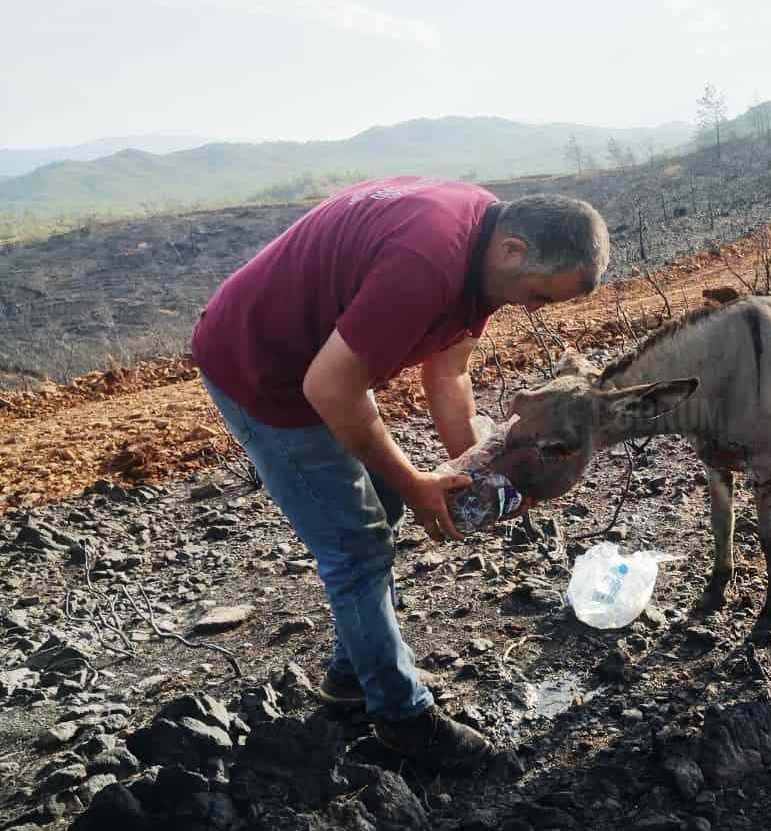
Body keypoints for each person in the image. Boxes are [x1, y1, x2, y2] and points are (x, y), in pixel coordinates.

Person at [191, 177, 609, 772]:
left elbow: (448, 374)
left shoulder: (484, 248)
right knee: (357, 544)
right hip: (262, 369)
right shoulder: (428, 262)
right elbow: (329, 387)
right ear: (513, 250)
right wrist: (417, 485)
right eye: (539, 295)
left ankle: (350, 676)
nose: (532, 309)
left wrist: (477, 472)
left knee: (378, 507)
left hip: (322, 366)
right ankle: (403, 720)